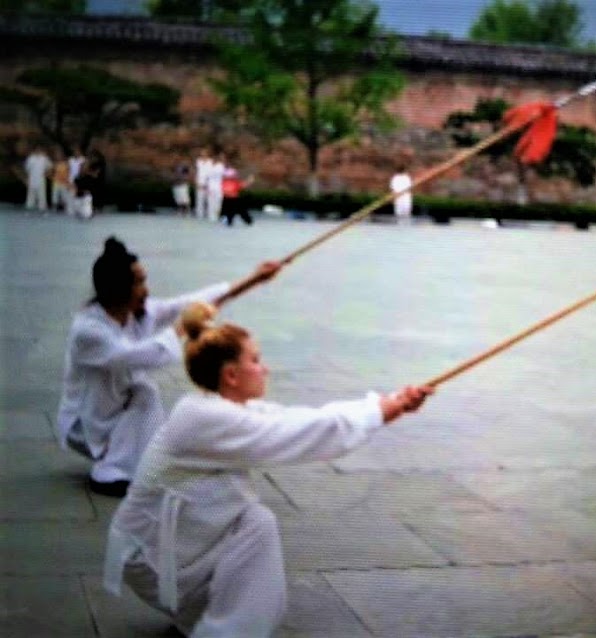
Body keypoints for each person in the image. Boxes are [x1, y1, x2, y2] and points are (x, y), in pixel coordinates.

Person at [103, 302, 432, 637]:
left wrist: (386, 404)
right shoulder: (204, 419)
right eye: (256, 361)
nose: (266, 369)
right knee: (257, 524)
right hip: (150, 559)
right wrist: (384, 410)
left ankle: (209, 621)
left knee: (251, 523)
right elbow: (302, 432)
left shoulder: (217, 409)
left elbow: (297, 419)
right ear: (231, 375)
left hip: (168, 551)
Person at [55, 237, 284, 498]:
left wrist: (255, 279)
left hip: (112, 412)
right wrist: (182, 327)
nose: (146, 289)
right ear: (118, 289)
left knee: (144, 392)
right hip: (86, 423)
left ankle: (133, 464)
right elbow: (142, 356)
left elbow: (190, 303)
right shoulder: (89, 331)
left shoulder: (134, 314)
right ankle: (109, 471)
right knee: (142, 389)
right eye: (139, 282)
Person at [220, 162, 255, 226]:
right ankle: (229, 221)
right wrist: (249, 181)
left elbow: (243, 185)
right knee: (229, 212)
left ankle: (248, 221)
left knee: (242, 211)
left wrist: (250, 181)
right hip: (227, 200)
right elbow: (224, 190)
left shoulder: (234, 182)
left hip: (235, 199)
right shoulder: (224, 182)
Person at [22, 146, 53, 212]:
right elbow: (26, 168)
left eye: (39, 150)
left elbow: (50, 166)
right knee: (31, 193)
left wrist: (47, 174)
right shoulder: (30, 158)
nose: (38, 151)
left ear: (41, 150)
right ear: (34, 150)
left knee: (41, 193)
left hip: (41, 178)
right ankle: (29, 206)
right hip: (32, 178)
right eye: (37, 150)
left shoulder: (44, 158)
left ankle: (42, 207)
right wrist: (26, 178)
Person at [205, 150, 226, 223]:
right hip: (211, 187)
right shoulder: (209, 166)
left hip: (218, 187)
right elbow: (207, 177)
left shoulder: (221, 166)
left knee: (218, 202)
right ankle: (211, 216)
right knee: (211, 202)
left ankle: (218, 216)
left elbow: (223, 176)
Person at [194, 147, 212, 220]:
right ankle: (199, 213)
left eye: (204, 153)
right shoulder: (198, 161)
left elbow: (211, 172)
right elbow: (196, 171)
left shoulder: (210, 161)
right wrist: (196, 181)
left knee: (208, 199)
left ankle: (209, 213)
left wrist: (208, 183)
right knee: (199, 198)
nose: (203, 154)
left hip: (209, 182)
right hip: (200, 181)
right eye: (202, 153)